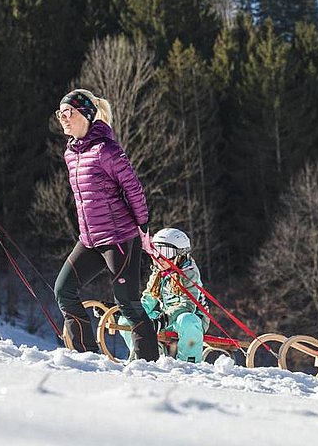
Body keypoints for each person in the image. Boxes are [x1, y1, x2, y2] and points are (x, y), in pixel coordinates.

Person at [53, 89, 159, 362]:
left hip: (120, 237)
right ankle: (85, 357)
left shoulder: (106, 150)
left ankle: (150, 365)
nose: (63, 119)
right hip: (89, 240)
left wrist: (143, 227)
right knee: (63, 290)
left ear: (86, 114)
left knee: (128, 302)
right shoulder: (70, 153)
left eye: (68, 113)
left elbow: (134, 190)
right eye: (60, 114)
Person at [136, 227, 209, 362]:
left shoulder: (189, 273)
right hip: (166, 318)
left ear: (180, 254)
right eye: (156, 250)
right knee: (134, 319)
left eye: (165, 252)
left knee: (187, 320)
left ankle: (189, 362)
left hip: (189, 318)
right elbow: (148, 300)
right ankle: (141, 356)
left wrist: (163, 320)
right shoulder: (159, 271)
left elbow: (188, 305)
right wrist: (125, 311)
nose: (159, 257)